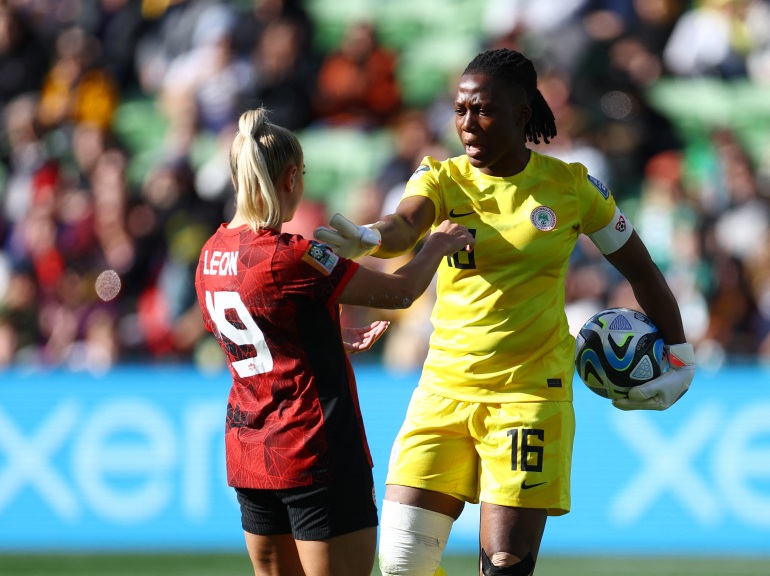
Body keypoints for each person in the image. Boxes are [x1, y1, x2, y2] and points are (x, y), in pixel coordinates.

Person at [314, 48, 696, 576]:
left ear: (522, 114)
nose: (467, 124)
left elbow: (643, 270)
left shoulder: (572, 188)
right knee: (401, 564)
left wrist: (680, 351)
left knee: (503, 567)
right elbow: (403, 225)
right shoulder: (442, 179)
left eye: (484, 110)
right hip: (443, 389)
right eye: (460, 109)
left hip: (529, 397)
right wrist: (369, 237)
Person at [194, 107, 475, 576]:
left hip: (250, 453)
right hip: (314, 449)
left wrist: (325, 337)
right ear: (289, 178)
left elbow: (250, 339)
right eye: (301, 174)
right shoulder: (292, 255)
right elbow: (400, 292)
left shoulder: (210, 254)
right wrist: (436, 245)